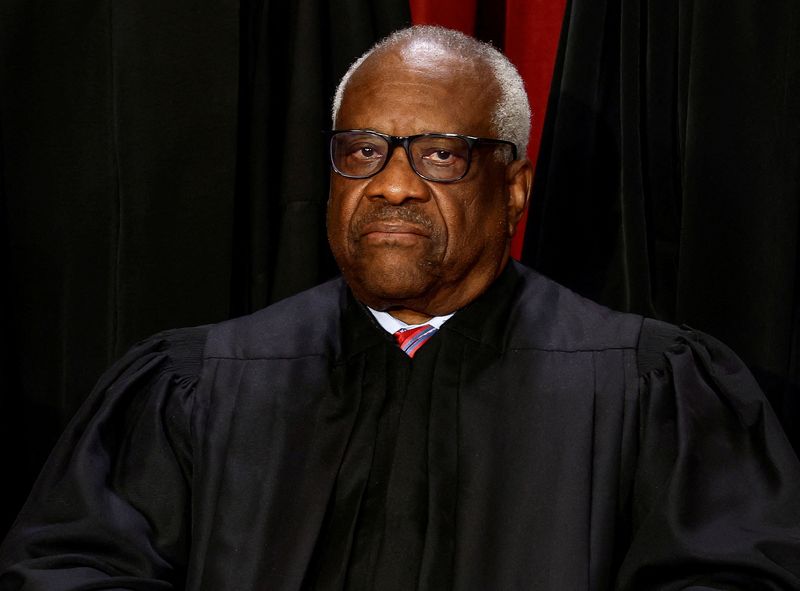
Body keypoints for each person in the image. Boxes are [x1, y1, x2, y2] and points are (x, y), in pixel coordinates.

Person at [1, 24, 799, 591]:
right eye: (362, 150)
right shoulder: (202, 384)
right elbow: (77, 564)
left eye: (440, 155)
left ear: (514, 189)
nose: (391, 182)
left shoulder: (644, 386)